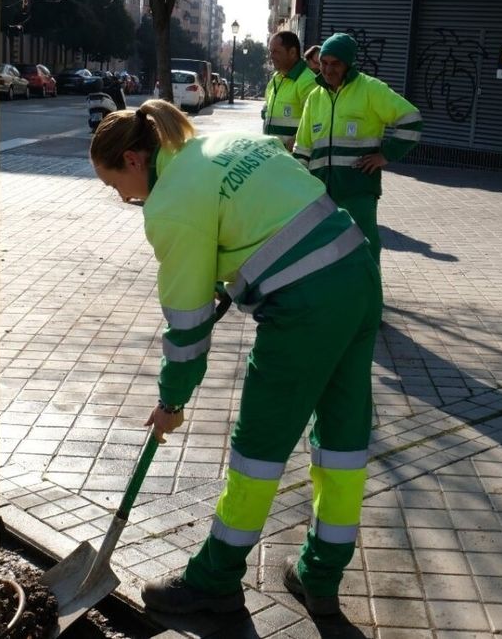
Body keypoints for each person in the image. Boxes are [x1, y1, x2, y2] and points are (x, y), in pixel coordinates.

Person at [91, 99, 381, 618]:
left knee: (258, 449)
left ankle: (215, 579)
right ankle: (321, 572)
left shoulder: (170, 204)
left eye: (115, 185)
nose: (122, 197)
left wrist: (171, 401)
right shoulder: (221, 145)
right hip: (357, 275)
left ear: (134, 160)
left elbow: (186, 324)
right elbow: (269, 216)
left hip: (306, 306)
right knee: (342, 436)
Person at [293, 33, 421, 264]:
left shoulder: (371, 89)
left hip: (358, 189)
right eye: (323, 63)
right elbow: (303, 146)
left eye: (335, 63)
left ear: (349, 64)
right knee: (324, 251)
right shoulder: (315, 97)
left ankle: (369, 298)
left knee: (364, 247)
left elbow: (411, 119)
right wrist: (300, 187)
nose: (328, 70)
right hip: (321, 192)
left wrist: (385, 155)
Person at [262, 31, 318, 151]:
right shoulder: (275, 80)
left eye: (276, 52)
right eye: (270, 51)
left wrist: (296, 139)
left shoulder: (308, 82)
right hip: (273, 156)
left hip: (293, 160)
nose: (271, 56)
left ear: (292, 52)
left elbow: (317, 121)